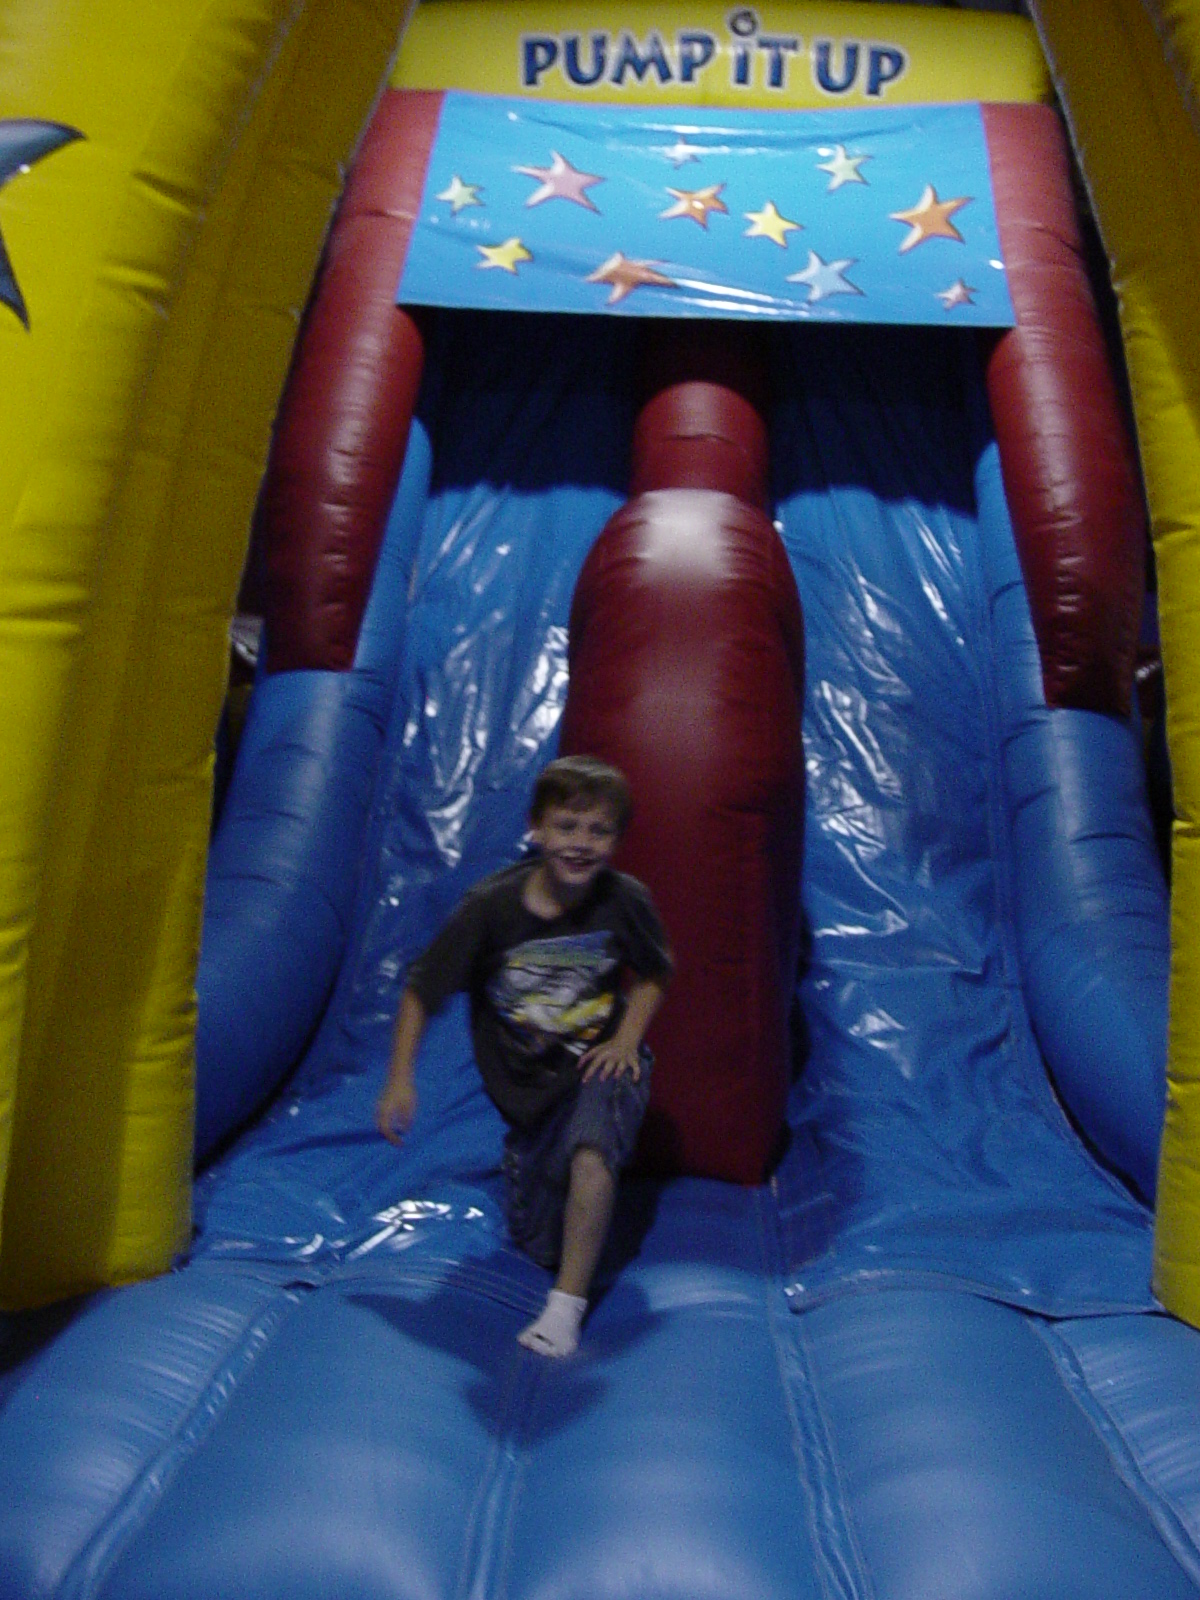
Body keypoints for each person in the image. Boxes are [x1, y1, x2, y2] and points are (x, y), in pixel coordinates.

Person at [376, 755, 673, 1357]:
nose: (581, 844)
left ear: (616, 840)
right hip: (531, 1093)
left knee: (592, 1152)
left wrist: (624, 1041)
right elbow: (421, 991)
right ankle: (533, 1163)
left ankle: (564, 1309)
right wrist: (400, 1079)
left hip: (597, 1066)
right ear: (536, 829)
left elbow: (653, 972)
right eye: (567, 826)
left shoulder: (623, 900)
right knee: (542, 1244)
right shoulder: (491, 909)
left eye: (599, 831)